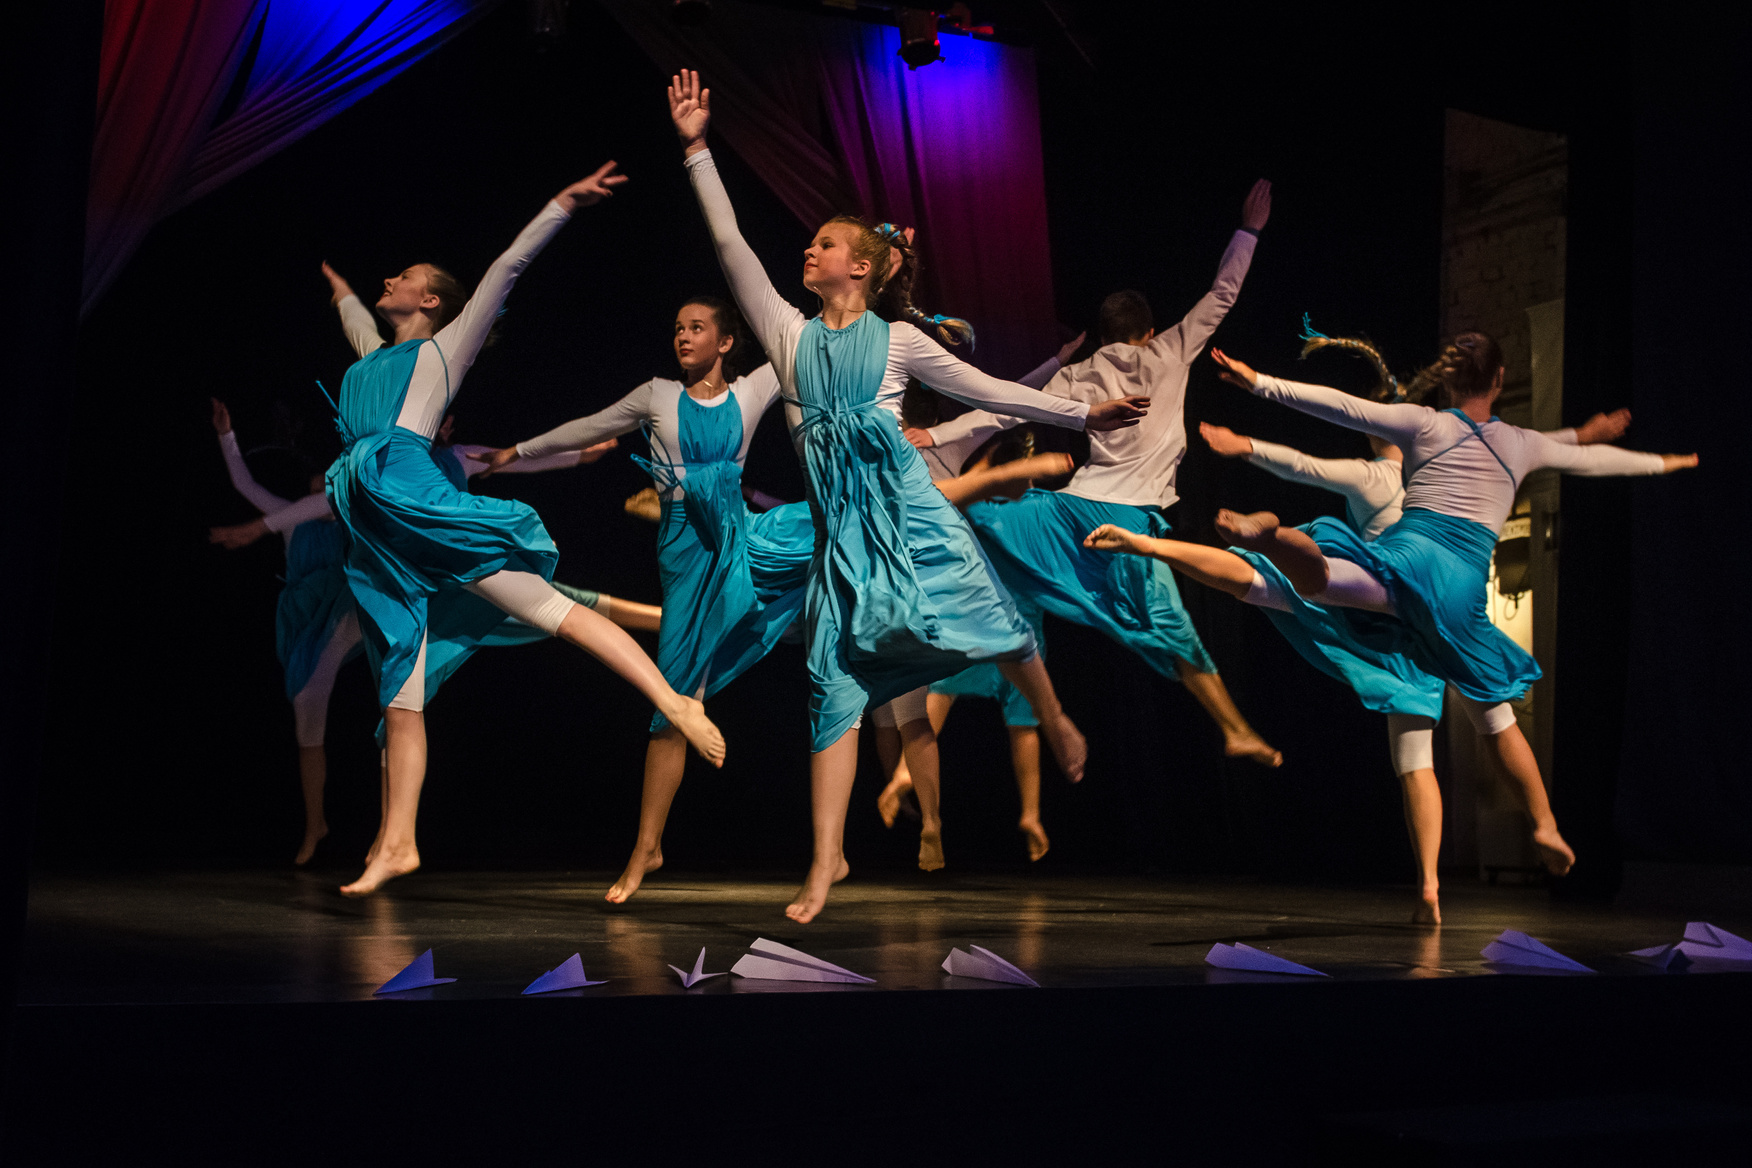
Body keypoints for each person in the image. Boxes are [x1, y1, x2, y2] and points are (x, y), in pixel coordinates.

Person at [670, 70, 1148, 920]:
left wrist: (1082, 412)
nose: (805, 252)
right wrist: (698, 148)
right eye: (808, 246)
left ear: (861, 265)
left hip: (909, 511)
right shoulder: (786, 333)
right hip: (844, 539)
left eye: (822, 244)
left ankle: (1058, 718)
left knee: (990, 614)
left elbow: (994, 390)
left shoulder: (897, 341)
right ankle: (826, 863)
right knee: (832, 690)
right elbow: (729, 245)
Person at [1087, 332, 1695, 884]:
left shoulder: (1424, 425)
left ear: (1451, 380)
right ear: (1501, 379)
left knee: (1318, 580)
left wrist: (1258, 383)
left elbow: (1341, 408)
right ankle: (1543, 824)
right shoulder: (1520, 442)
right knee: (1496, 712)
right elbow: (1586, 460)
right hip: (1457, 589)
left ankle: (1272, 536)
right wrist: (1664, 462)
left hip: (1403, 560)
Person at [316, 161, 725, 897]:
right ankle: (397, 843)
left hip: (415, 502)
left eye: (403, 277)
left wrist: (561, 203)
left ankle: (671, 699)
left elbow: (506, 269)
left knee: (553, 609)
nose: (391, 281)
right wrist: (341, 290)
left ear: (432, 299)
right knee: (398, 696)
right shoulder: (373, 358)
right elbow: (355, 321)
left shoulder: (441, 352)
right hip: (376, 533)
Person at [1187, 325, 1630, 920]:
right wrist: (1583, 438)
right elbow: (1515, 445)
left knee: (1412, 759)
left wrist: (1248, 445)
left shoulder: (1375, 474)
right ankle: (1538, 824)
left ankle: (1428, 885)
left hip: (1390, 622)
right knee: (1496, 722)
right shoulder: (1461, 454)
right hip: (1451, 612)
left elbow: (1307, 465)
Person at [920, 181, 1281, 769]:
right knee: (1169, 623)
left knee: (974, 513)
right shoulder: (1169, 352)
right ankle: (1234, 728)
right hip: (1129, 521)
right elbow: (1222, 294)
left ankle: (900, 549)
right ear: (1145, 329)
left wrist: (937, 435)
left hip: (1072, 509)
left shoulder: (1077, 375)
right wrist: (1249, 230)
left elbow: (1004, 407)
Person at [478, 297, 815, 904]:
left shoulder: (755, 389)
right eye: (678, 328)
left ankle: (933, 528)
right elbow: (592, 424)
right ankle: (647, 848)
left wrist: (880, 278)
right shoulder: (656, 395)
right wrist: (519, 451)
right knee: (676, 703)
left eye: (696, 328)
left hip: (738, 537)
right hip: (685, 553)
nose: (683, 337)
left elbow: (812, 337)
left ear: (726, 342)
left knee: (830, 523)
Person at [207, 397, 361, 865]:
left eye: (330, 478)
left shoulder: (351, 518)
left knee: (372, 601)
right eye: (318, 478)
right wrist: (226, 434)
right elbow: (243, 482)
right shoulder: (291, 515)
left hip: (345, 604)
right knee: (306, 710)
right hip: (302, 620)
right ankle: (315, 822)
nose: (322, 484)